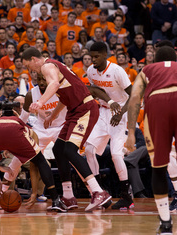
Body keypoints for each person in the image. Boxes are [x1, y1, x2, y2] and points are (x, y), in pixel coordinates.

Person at [21, 47, 112, 212]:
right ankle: (68, 197)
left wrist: (40, 102)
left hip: (85, 108)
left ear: (34, 59)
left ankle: (99, 192)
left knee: (70, 150)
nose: (30, 70)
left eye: (29, 66)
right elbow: (63, 95)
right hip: (74, 111)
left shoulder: (47, 66)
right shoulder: (55, 66)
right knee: (59, 149)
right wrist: (52, 116)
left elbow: (55, 85)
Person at [126, 46, 177, 234]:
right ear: (176, 61)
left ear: (155, 61)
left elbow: (135, 97)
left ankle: (166, 223)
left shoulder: (147, 70)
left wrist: (129, 133)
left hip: (158, 103)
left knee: (159, 166)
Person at [85, 42, 134, 210]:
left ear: (105, 55)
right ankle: (99, 192)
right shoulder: (91, 71)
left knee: (116, 155)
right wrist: (108, 102)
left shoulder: (117, 71)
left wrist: (120, 113)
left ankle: (127, 196)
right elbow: (95, 91)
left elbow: (133, 95)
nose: (93, 60)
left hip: (121, 112)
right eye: (91, 57)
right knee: (89, 149)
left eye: (96, 56)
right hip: (103, 111)